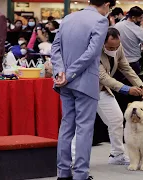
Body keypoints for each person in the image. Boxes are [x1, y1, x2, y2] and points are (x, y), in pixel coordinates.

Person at [51, 0, 115, 179]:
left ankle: (63, 173)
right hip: (84, 82)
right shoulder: (101, 20)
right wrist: (69, 74)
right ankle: (80, 174)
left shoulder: (69, 18)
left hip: (64, 82)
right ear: (107, 4)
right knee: (84, 130)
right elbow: (92, 53)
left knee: (66, 127)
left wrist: (60, 72)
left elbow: (55, 48)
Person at [71, 27, 143, 166]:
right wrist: (127, 89)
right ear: (102, 42)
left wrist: (141, 85)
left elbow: (126, 67)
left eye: (116, 46)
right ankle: (73, 160)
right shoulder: (92, 50)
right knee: (82, 125)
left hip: (103, 90)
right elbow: (103, 77)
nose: (114, 49)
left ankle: (117, 154)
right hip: (85, 90)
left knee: (116, 119)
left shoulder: (118, 47)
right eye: (110, 47)